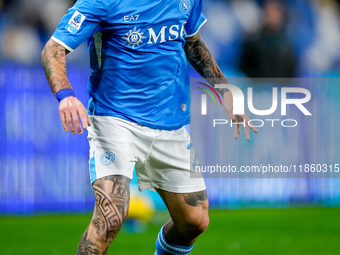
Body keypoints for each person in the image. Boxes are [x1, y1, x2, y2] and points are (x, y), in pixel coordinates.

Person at [41, 0, 258, 254]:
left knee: (194, 221)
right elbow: (53, 48)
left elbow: (192, 42)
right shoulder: (102, 2)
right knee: (110, 218)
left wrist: (224, 90)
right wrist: (65, 94)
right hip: (115, 118)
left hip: (170, 122)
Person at [239, 0, 297, 80]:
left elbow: (290, 73)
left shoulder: (287, 45)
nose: (274, 15)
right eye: (271, 11)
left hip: (279, 89)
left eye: (276, 11)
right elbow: (245, 68)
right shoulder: (253, 40)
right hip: (256, 89)